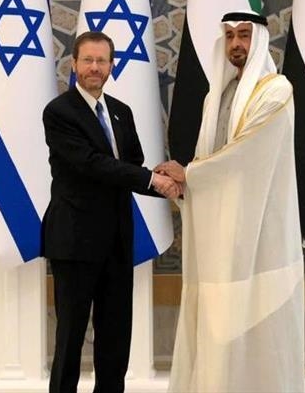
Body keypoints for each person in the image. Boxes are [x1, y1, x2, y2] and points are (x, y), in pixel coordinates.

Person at [160, 11, 305, 392]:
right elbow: (211, 155)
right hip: (218, 229)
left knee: (259, 325)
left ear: (258, 41)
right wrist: (187, 186)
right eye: (229, 37)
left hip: (261, 232)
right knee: (217, 322)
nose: (236, 44)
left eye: (244, 35)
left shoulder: (276, 91)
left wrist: (189, 174)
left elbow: (245, 155)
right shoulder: (218, 95)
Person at [42, 31, 180, 393]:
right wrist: (152, 180)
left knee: (116, 338)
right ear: (73, 64)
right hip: (74, 241)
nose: (94, 67)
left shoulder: (121, 112)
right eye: (87, 60)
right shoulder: (59, 112)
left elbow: (130, 166)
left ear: (111, 66)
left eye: (101, 61)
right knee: (70, 337)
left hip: (117, 241)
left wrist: (172, 182)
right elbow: (91, 164)